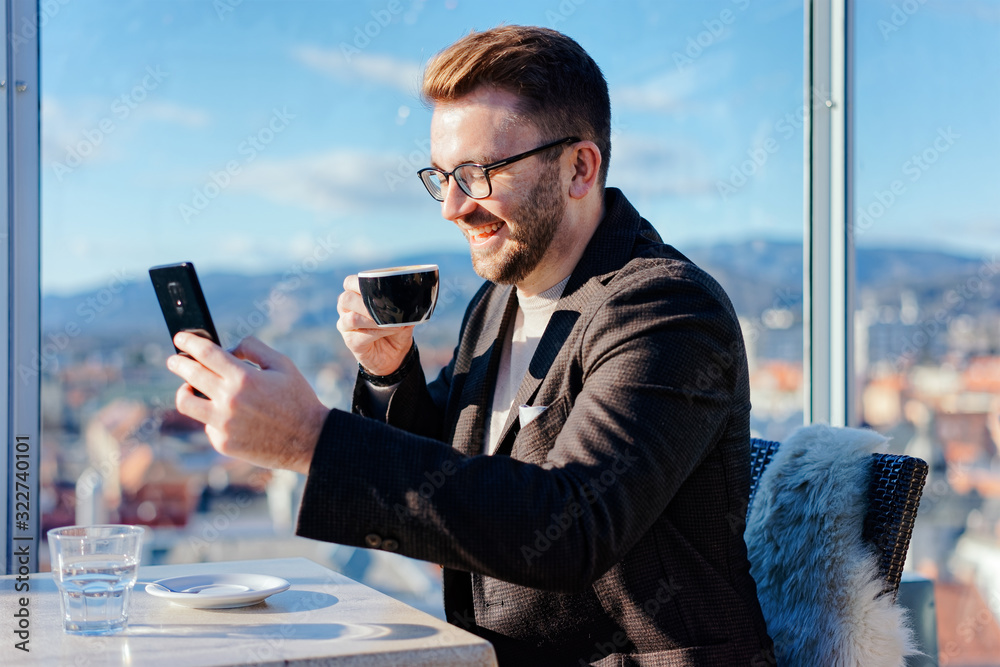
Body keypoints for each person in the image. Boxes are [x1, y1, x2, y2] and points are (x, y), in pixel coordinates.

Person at [167, 25, 773, 666]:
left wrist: (307, 439)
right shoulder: (498, 301)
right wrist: (388, 374)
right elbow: (454, 478)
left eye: (480, 173)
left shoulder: (667, 308)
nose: (452, 207)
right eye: (443, 175)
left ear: (579, 168)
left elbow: (571, 528)